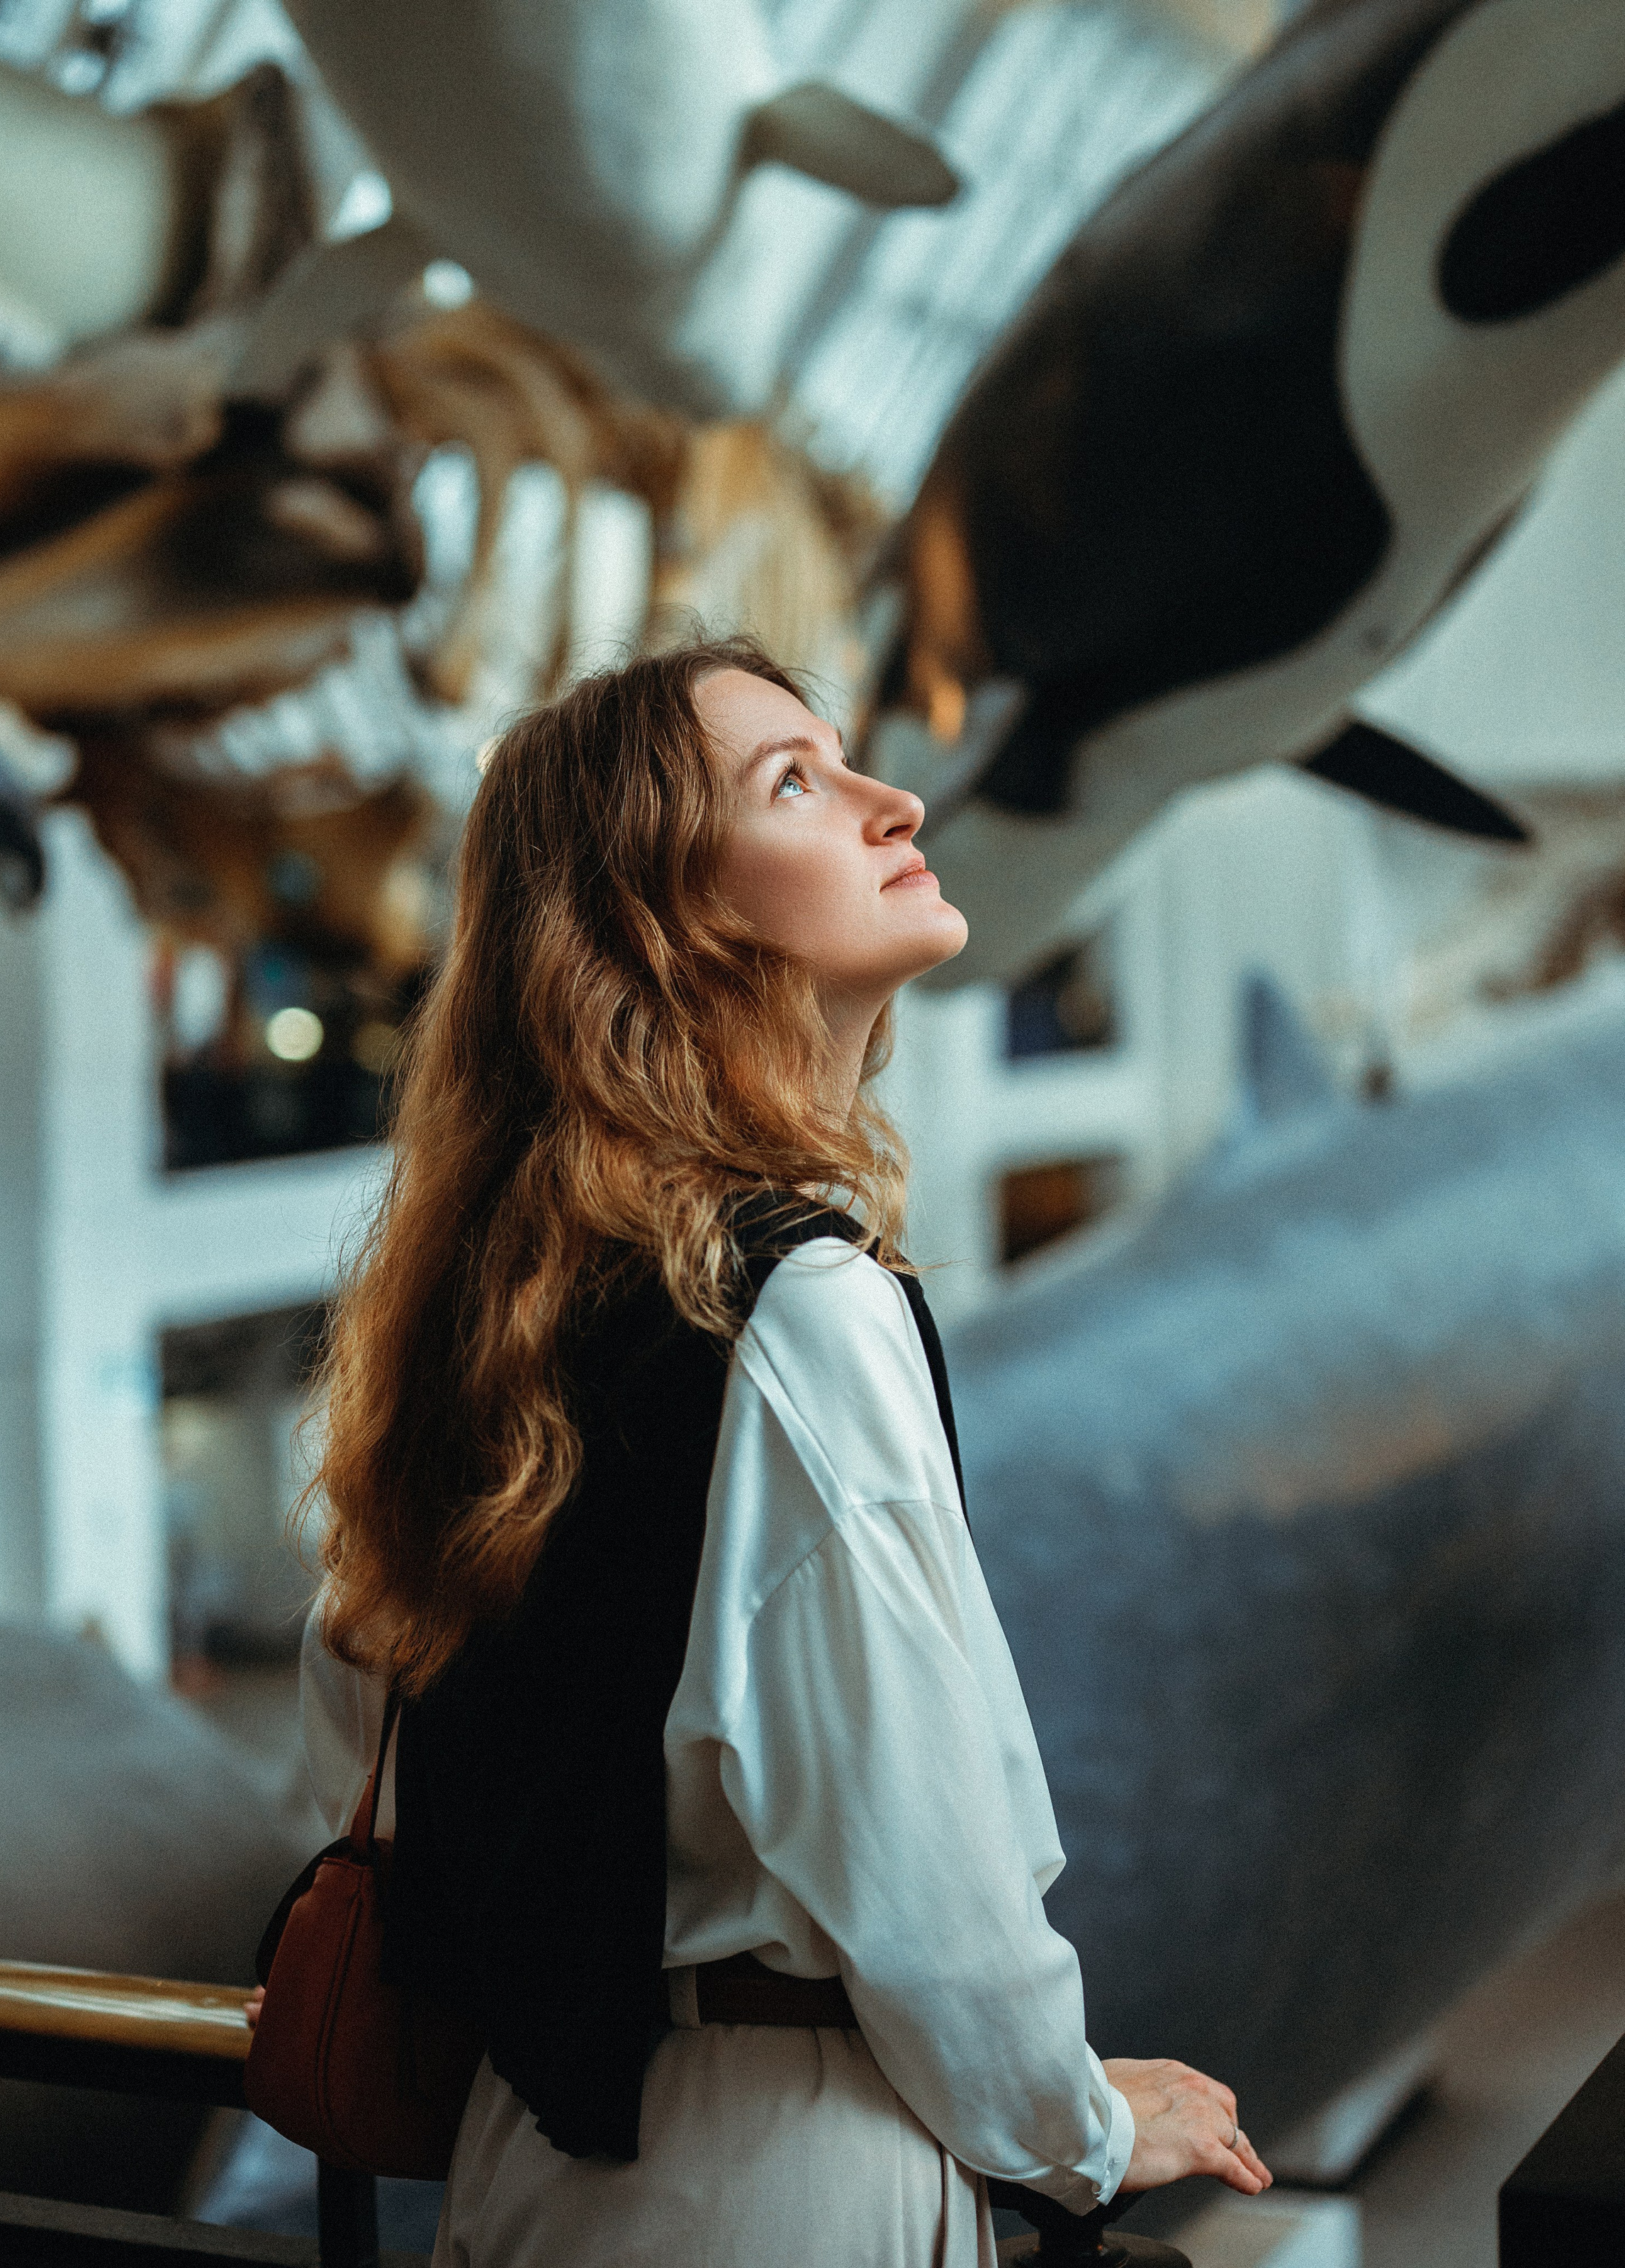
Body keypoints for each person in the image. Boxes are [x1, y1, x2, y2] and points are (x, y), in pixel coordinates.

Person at [277, 636, 1271, 2264]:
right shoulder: (797, 1305)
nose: (895, 799)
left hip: (526, 2161)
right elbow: (919, 1846)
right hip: (776, 2170)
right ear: (667, 925)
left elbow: (350, 1761)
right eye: (794, 783)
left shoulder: (481, 1327)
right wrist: (1075, 2124)